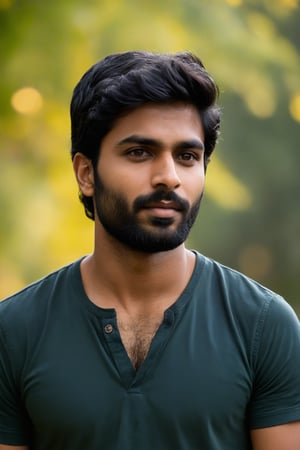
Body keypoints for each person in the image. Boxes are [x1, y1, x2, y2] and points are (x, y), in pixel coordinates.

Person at [0, 51, 299, 450]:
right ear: (86, 173)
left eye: (187, 156)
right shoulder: (15, 330)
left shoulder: (264, 326)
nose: (169, 177)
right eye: (139, 152)